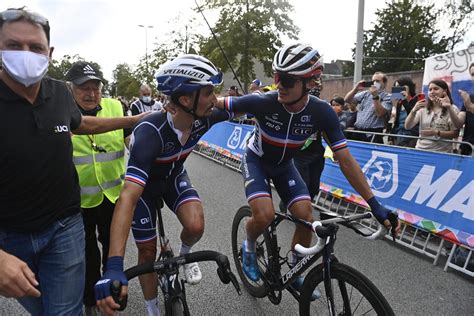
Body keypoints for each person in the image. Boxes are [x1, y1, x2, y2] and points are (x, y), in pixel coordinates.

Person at [216, 43, 399, 298]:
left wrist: (374, 204)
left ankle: (294, 267)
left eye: (287, 80)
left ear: (311, 83)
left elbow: (345, 160)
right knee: (265, 215)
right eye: (277, 76)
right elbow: (214, 104)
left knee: (306, 216)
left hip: (285, 166)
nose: (278, 84)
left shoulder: (321, 112)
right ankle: (248, 245)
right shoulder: (263, 101)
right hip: (256, 160)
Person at [0, 8, 145, 315]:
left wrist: (135, 119)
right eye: (14, 46)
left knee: (65, 311)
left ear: (49, 53)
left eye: (36, 47)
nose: (26, 54)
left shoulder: (59, 94)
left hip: (65, 226)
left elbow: (82, 124)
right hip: (10, 237)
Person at [94, 55, 234, 316]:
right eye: (208, 92)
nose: (215, 98)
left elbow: (256, 103)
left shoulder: (206, 115)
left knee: (195, 225)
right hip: (144, 191)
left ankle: (183, 256)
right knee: (147, 253)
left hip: (173, 179)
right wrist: (114, 264)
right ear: (184, 100)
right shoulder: (150, 132)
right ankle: (152, 308)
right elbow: (128, 198)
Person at [65, 61, 128, 315]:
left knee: (113, 248)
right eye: (84, 88)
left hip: (113, 195)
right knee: (86, 254)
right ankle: (91, 300)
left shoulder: (115, 107)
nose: (91, 93)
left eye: (96, 87)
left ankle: (110, 290)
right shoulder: (61, 111)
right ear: (71, 90)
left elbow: (130, 141)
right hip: (77, 201)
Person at [404, 79, 460, 153]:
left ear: (444, 91)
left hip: (442, 153)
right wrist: (413, 110)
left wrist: (436, 133)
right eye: (430, 89)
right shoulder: (423, 108)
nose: (432, 92)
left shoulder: (452, 108)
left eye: (436, 89)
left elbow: (455, 134)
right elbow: (407, 126)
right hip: (420, 150)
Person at [344, 72, 392, 143]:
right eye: (373, 81)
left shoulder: (387, 96)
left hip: (372, 134)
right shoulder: (366, 93)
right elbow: (347, 100)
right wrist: (355, 89)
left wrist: (375, 96)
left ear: (384, 83)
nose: (375, 83)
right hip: (358, 132)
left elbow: (380, 113)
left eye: (377, 81)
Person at [390, 76, 420, 147]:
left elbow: (413, 117)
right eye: (396, 86)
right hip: (399, 135)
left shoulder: (417, 101)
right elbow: (396, 122)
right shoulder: (399, 103)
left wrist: (405, 101)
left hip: (411, 137)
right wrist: (391, 137)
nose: (397, 89)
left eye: (399, 86)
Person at [455, 62, 474, 156]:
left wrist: (470, 106)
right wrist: (449, 108)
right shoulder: (469, 98)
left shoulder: (469, 101)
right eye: (473, 74)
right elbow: (458, 124)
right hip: (467, 149)